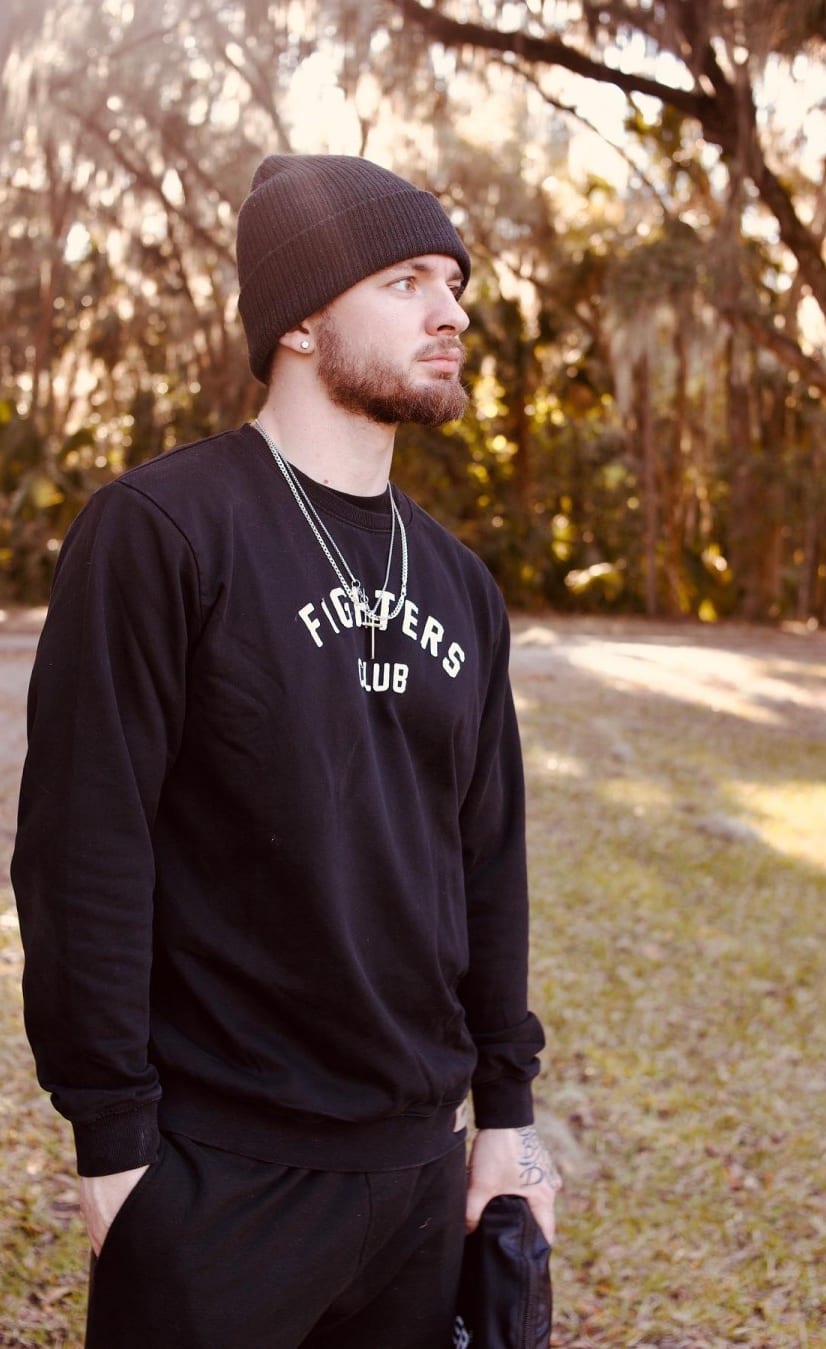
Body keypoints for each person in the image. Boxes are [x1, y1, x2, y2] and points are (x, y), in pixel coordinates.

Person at [12, 153, 559, 1348]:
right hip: (219, 1171)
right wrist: (114, 1146)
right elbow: (82, 849)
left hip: (417, 1174)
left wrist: (503, 1117)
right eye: (406, 281)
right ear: (300, 321)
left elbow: (487, 861)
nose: (450, 312)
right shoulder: (161, 532)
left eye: (453, 283)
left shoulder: (459, 582)